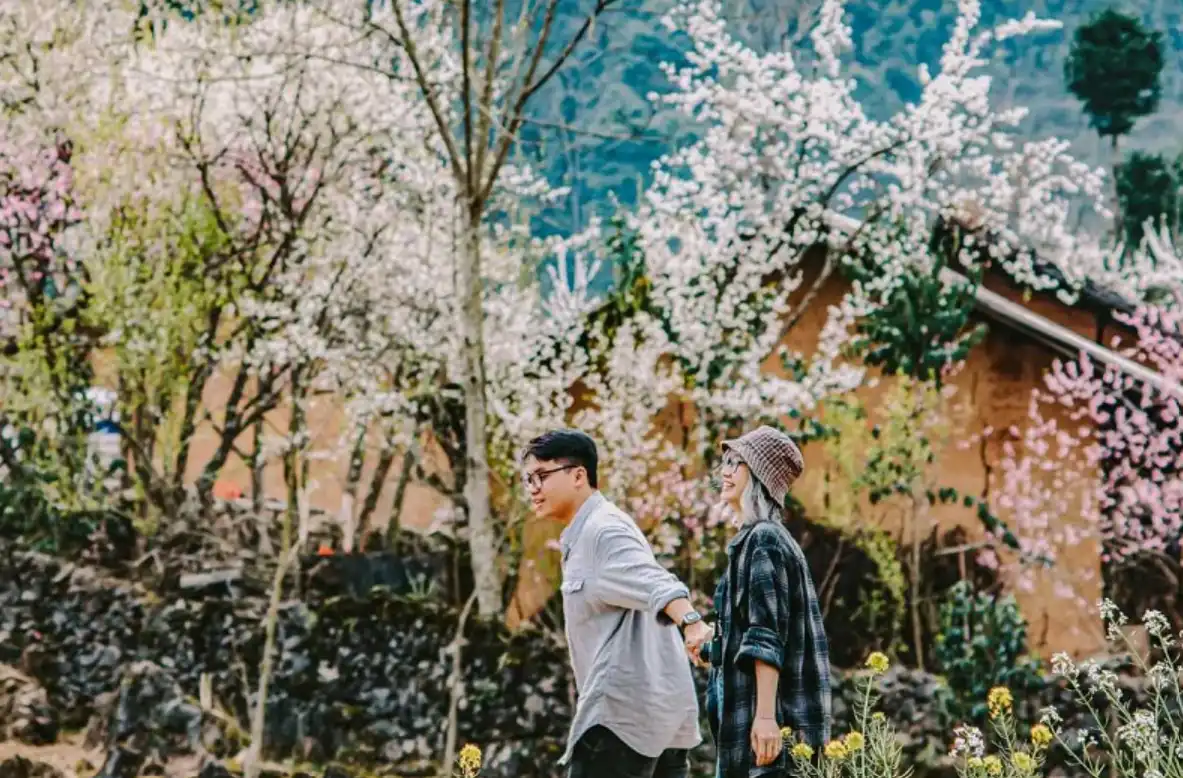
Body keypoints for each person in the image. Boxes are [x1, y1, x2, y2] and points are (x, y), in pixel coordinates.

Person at [522, 429, 710, 778]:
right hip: (658, 719)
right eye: (528, 479)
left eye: (542, 476)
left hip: (620, 724)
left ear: (578, 475)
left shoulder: (602, 530)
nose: (532, 487)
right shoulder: (596, 528)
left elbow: (659, 584)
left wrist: (692, 623)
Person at [698, 425, 831, 777]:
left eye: (736, 463)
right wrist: (710, 647)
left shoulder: (765, 541)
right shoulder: (755, 541)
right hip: (752, 732)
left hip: (772, 735)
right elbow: (746, 634)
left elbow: (766, 635)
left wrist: (767, 717)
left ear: (759, 475)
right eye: (725, 462)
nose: (725, 472)